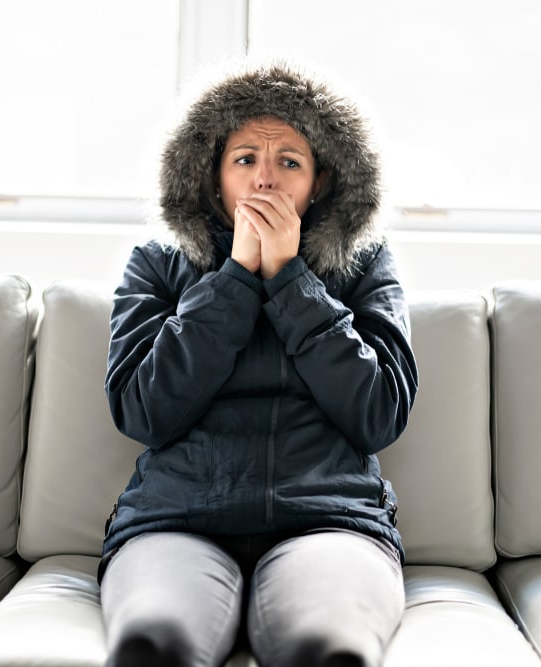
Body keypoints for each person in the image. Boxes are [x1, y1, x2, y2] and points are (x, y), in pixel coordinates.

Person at [100, 61, 419, 667]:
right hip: (176, 521)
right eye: (245, 159)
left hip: (329, 521)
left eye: (288, 163)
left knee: (326, 649)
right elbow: (143, 410)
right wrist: (234, 280)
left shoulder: (365, 263)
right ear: (212, 175)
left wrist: (291, 280)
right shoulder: (155, 262)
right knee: (152, 646)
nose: (264, 181)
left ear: (319, 182)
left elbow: (378, 413)